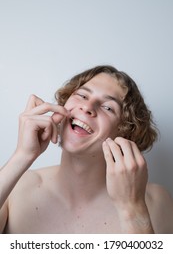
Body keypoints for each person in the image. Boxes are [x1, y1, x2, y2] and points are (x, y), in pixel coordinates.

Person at [0, 65, 173, 234]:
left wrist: (132, 209)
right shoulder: (15, 187)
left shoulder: (156, 202)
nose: (88, 107)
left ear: (126, 133)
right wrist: (22, 156)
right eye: (82, 95)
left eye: (108, 107)